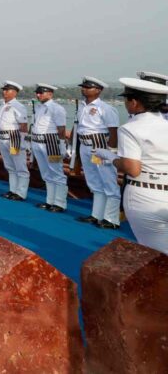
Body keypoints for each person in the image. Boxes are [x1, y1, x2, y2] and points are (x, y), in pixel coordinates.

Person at [95, 77, 168, 253]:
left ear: (134, 102)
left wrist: (110, 157)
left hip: (146, 194)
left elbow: (132, 169)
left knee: (155, 255)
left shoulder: (130, 128)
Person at [68, 77, 120, 228]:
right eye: (83, 86)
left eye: (88, 87)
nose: (84, 89)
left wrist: (111, 152)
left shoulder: (106, 108)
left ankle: (111, 219)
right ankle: (96, 215)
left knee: (108, 181)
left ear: (98, 90)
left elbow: (113, 131)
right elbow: (77, 128)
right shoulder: (82, 107)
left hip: (99, 144)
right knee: (94, 181)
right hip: (84, 145)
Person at [30, 83, 69, 212]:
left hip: (52, 143)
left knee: (57, 173)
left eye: (41, 92)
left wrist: (62, 145)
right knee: (46, 173)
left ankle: (60, 203)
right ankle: (50, 201)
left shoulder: (56, 108)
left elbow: (61, 128)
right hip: (38, 142)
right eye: (37, 92)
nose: (38, 95)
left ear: (50, 94)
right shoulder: (39, 107)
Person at [0, 81, 29, 201]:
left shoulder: (18, 106)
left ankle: (21, 193)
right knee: (10, 166)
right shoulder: (2, 105)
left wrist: (22, 141)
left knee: (20, 167)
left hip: (14, 138)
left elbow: (23, 126)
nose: (4, 92)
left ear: (14, 92)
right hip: (3, 138)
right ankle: (12, 190)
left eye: (7, 90)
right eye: (4, 90)